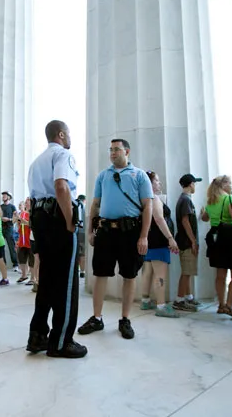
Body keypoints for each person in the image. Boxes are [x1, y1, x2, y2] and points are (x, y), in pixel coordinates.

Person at [78, 139, 153, 340]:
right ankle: (96, 317)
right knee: (100, 274)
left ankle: (125, 319)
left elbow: (148, 207)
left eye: (117, 149)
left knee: (129, 275)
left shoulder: (140, 176)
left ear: (127, 151)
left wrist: (144, 236)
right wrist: (92, 231)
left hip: (130, 232)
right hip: (106, 231)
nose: (112, 153)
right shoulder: (103, 175)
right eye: (110, 149)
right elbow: (95, 204)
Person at [26, 120, 87, 358]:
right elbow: (61, 186)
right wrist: (71, 220)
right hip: (58, 218)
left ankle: (38, 335)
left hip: (40, 219)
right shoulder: (62, 155)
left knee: (48, 280)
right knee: (66, 282)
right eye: (69, 133)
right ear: (61, 134)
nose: (70, 138)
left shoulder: (36, 162)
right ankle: (61, 341)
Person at [201, 175, 232, 319]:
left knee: (220, 274)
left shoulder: (211, 201)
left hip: (216, 238)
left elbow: (205, 218)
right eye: (230, 183)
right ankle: (229, 305)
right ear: (224, 184)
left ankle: (221, 304)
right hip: (231, 237)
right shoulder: (230, 199)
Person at [140, 171, 180, 317]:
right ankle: (161, 306)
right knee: (160, 274)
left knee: (148, 270)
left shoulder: (143, 198)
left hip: (150, 239)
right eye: (156, 180)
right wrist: (170, 237)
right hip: (159, 240)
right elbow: (159, 218)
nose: (159, 183)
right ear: (149, 183)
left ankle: (145, 300)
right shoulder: (154, 198)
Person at [173, 174, 202, 311]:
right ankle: (179, 300)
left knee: (188, 271)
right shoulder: (185, 200)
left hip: (185, 241)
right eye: (194, 183)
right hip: (186, 241)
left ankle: (189, 297)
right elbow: (185, 221)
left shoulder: (185, 199)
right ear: (191, 184)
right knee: (186, 271)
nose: (195, 186)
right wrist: (193, 241)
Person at [16, 197, 34, 284]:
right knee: (21, 258)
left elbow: (31, 224)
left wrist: (23, 221)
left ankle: (33, 278)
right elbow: (20, 227)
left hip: (30, 239)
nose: (26, 204)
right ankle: (24, 275)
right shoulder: (22, 213)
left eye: (28, 202)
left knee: (32, 259)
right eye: (26, 202)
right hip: (22, 239)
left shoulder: (33, 214)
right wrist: (18, 221)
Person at [1, 191, 19, 271]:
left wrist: (9, 219)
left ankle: (15, 265)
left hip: (9, 228)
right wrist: (2, 218)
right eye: (3, 195)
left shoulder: (12, 207)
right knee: (1, 247)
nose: (3, 196)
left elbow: (16, 217)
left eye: (5, 195)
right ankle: (3, 264)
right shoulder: (0, 206)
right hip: (1, 228)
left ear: (9, 197)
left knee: (11, 246)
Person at [77, 194, 87, 278]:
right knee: (83, 252)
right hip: (83, 232)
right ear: (84, 200)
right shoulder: (84, 207)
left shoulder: (75, 205)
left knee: (75, 252)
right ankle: (82, 271)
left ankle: (75, 270)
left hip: (74, 232)